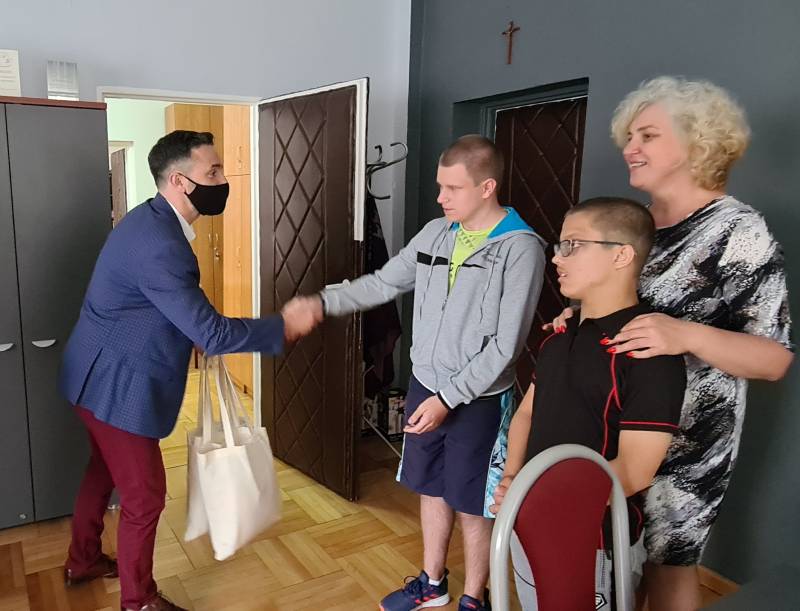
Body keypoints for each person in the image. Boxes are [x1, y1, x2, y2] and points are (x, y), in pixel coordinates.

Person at [551, 77, 793, 610]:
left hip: (686, 443)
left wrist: (684, 333)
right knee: (611, 562)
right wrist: (577, 319)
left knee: (666, 566)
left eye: (648, 135)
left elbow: (774, 359)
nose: (630, 148)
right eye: (629, 137)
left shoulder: (738, 230)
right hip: (612, 425)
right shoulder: (635, 226)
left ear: (697, 142)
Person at [58, 130, 320, 611]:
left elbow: (155, 306)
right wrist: (282, 327)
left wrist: (190, 329)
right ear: (179, 181)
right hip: (116, 387)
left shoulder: (150, 219)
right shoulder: (160, 242)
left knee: (102, 470)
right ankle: (138, 601)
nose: (223, 180)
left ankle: (83, 560)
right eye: (213, 172)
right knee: (145, 497)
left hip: (91, 373)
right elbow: (213, 333)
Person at [288, 135, 546, 611]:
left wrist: (448, 399)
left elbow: (505, 347)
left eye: (452, 188)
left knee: (472, 500)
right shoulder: (435, 233)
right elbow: (383, 283)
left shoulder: (520, 249)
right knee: (430, 486)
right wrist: (322, 303)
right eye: (439, 186)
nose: (441, 197)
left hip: (479, 399)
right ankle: (432, 582)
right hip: (426, 384)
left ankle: (474, 597)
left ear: (487, 187)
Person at [491, 197, 686, 610]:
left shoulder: (648, 353)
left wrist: (539, 497)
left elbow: (635, 470)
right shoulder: (558, 338)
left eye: (573, 245)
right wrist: (512, 480)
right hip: (530, 518)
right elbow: (527, 414)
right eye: (559, 245)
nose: (557, 258)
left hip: (593, 538)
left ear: (621, 255)